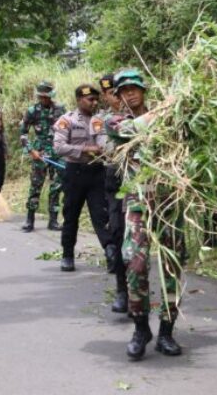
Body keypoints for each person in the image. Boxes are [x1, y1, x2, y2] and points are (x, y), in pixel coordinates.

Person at [106, 69, 184, 360]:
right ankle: (141, 328)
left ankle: (166, 332)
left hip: (168, 205)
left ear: (143, 90)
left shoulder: (170, 120)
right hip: (138, 204)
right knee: (135, 264)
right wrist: (170, 107)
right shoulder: (114, 121)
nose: (130, 93)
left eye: (134, 88)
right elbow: (133, 129)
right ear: (118, 96)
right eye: (123, 90)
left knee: (171, 270)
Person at [53, 84, 114, 273]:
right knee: (71, 215)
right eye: (90, 99)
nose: (94, 103)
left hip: (97, 172)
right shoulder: (67, 120)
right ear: (79, 99)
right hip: (75, 172)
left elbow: (104, 143)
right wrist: (86, 149)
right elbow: (59, 147)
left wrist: (105, 149)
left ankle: (111, 254)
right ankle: (67, 255)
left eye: (96, 99)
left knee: (101, 215)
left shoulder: (101, 120)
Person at [90, 73, 128, 313]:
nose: (117, 97)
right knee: (119, 234)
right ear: (105, 96)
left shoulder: (146, 113)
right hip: (118, 183)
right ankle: (123, 291)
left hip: (147, 183)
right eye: (111, 94)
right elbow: (106, 149)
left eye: (119, 92)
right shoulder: (103, 120)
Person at [19, 81, 66, 232]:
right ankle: (29, 220)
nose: (44, 99)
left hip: (57, 152)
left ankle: (53, 220)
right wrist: (31, 150)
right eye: (41, 97)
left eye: (46, 96)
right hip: (39, 153)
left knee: (57, 186)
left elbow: (67, 130)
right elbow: (23, 133)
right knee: (35, 186)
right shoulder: (32, 111)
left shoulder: (60, 109)